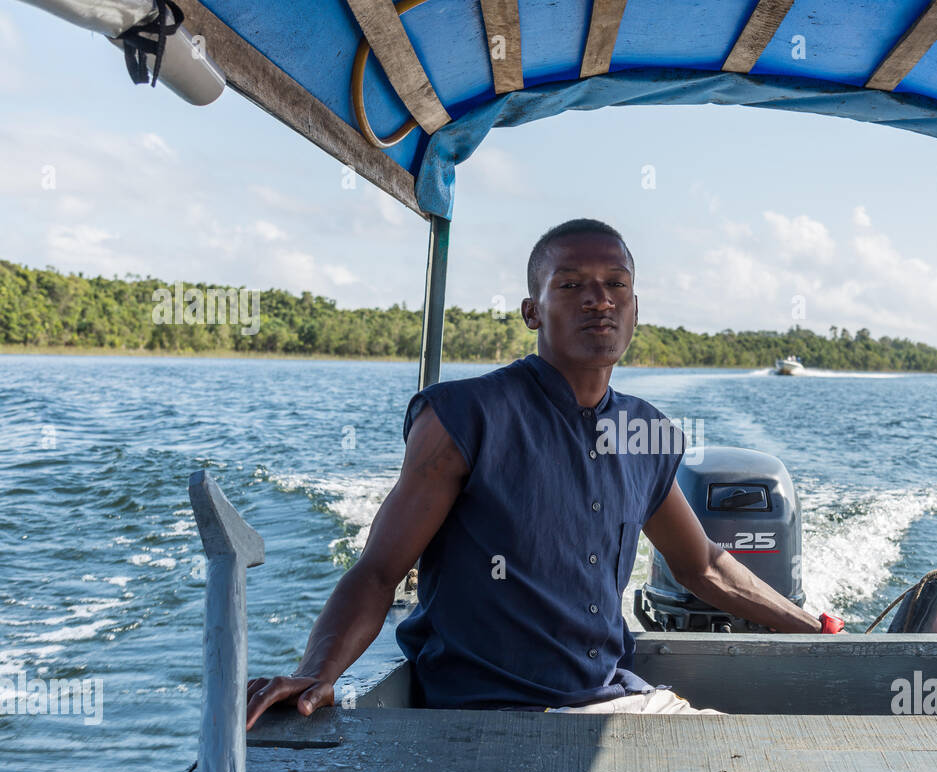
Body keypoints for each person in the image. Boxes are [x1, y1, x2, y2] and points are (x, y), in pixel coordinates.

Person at [245, 218, 843, 729]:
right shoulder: (463, 417)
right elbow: (378, 572)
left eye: (616, 286)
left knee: (776, 766)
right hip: (484, 716)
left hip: (611, 703)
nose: (598, 300)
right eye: (572, 285)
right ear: (533, 310)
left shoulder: (648, 432)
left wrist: (813, 629)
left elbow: (704, 566)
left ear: (635, 310)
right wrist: (315, 673)